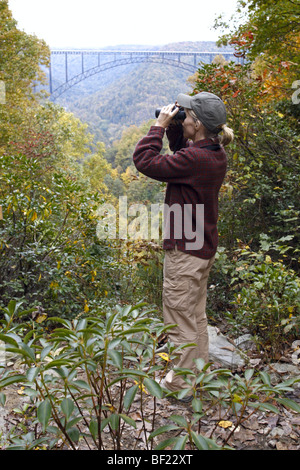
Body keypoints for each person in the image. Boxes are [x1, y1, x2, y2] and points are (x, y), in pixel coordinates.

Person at [133, 92, 234, 401]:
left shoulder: (195, 159)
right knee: (195, 316)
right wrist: (178, 125)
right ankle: (196, 374)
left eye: (186, 116)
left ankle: (181, 388)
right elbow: (182, 150)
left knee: (178, 320)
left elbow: (145, 160)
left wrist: (159, 126)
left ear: (198, 124)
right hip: (202, 248)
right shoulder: (213, 153)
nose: (182, 118)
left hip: (185, 254)